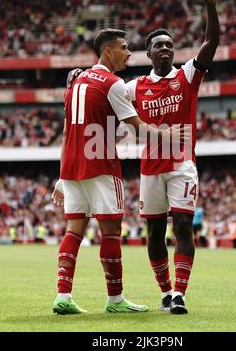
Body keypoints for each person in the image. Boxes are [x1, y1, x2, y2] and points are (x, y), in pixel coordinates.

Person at [67, 0, 219, 315]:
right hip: (150, 168)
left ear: (173, 51)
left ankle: (179, 293)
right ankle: (164, 292)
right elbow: (103, 96)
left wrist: (211, 9)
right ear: (148, 53)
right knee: (154, 233)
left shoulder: (187, 76)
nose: (164, 48)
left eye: (169, 44)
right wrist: (79, 76)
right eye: (158, 45)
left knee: (182, 225)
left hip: (182, 164)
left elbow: (210, 44)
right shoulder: (133, 87)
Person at [52, 28, 185, 315]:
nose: (128, 53)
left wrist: (61, 177)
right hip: (100, 163)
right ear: (108, 51)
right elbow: (137, 127)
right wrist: (168, 136)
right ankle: (115, 299)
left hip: (72, 166)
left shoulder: (76, 82)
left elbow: (67, 132)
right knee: (111, 231)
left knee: (74, 230)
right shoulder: (113, 83)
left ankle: (63, 295)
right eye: (124, 48)